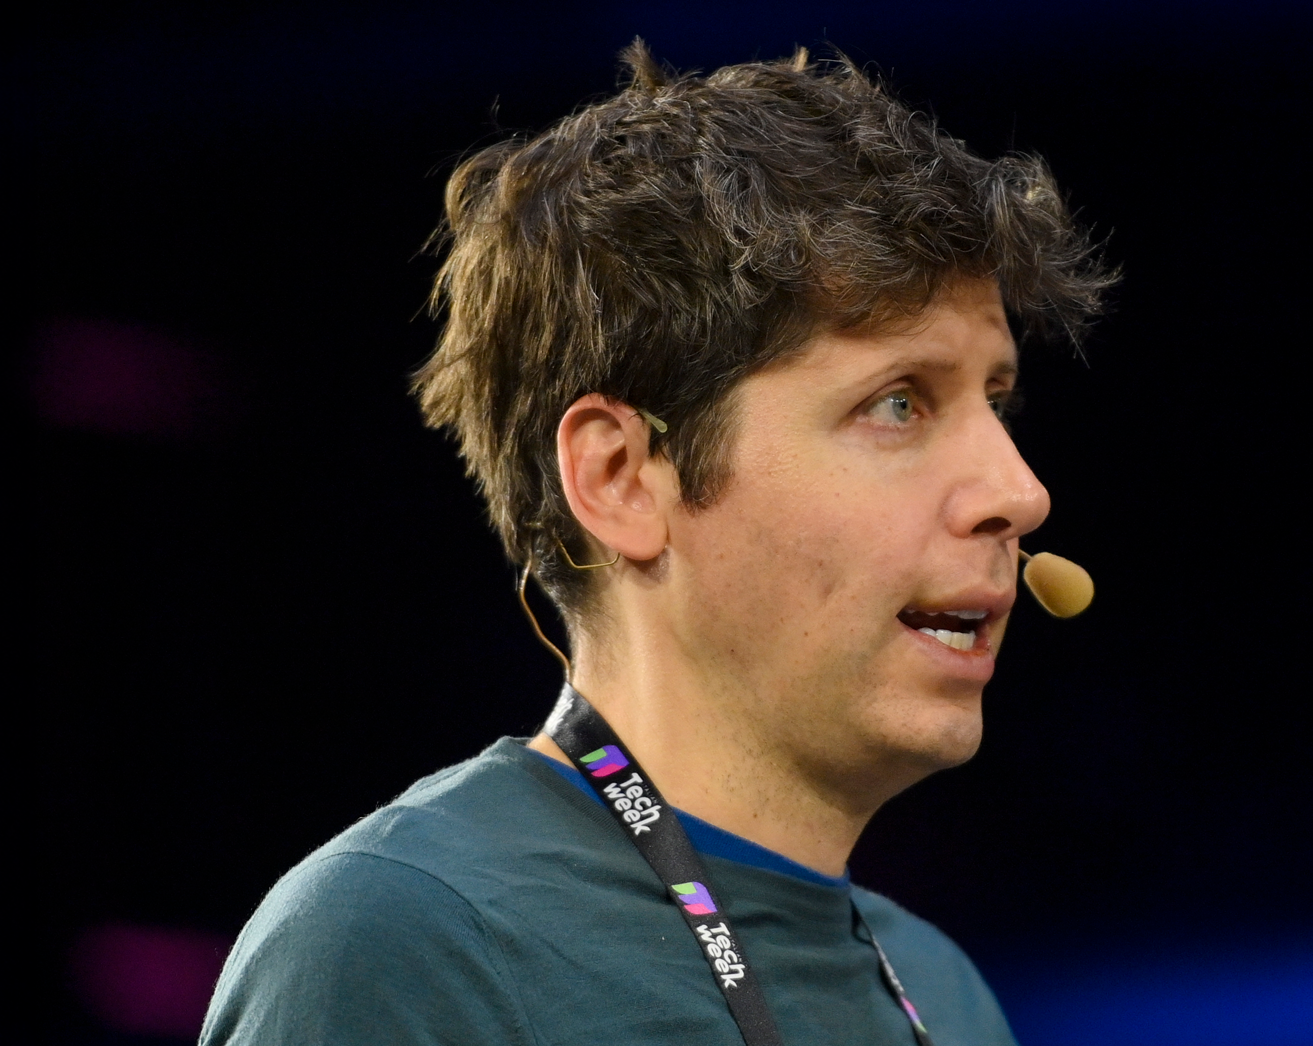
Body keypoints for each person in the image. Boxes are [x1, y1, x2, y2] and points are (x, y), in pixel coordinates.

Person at [202, 40, 1112, 1046]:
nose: (1020, 493)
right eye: (897, 402)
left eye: (995, 399)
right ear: (622, 477)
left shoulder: (946, 996)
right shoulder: (407, 943)